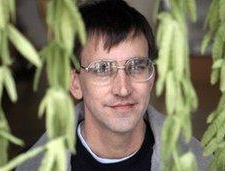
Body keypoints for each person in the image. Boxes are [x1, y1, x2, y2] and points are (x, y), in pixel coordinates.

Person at [17, 0, 210, 170]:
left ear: (151, 78)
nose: (123, 89)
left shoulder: (199, 162)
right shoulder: (35, 166)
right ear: (75, 83)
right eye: (102, 68)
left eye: (136, 66)